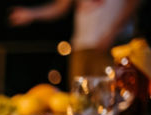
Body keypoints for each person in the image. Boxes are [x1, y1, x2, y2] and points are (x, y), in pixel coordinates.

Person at [9, 0, 141, 79]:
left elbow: (133, 4)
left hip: (115, 46)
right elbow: (60, 7)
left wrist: (112, 33)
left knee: (111, 97)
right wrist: (31, 14)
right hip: (81, 45)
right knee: (81, 99)